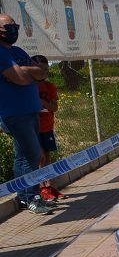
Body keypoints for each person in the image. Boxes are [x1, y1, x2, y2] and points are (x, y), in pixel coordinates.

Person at [0, 13, 54, 214]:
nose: (13, 29)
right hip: (14, 114)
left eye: (15, 25)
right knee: (32, 154)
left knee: (25, 155)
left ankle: (31, 196)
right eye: (8, 26)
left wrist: (27, 70)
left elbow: (42, 73)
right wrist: (29, 71)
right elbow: (21, 78)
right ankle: (28, 198)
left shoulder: (18, 51)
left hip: (31, 112)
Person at [33, 55, 65, 202]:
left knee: (47, 157)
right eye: (40, 69)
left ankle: (50, 186)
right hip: (34, 128)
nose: (44, 72)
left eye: (46, 69)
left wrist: (43, 103)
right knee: (40, 158)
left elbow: (54, 107)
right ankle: (42, 188)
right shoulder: (29, 87)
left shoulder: (50, 86)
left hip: (47, 127)